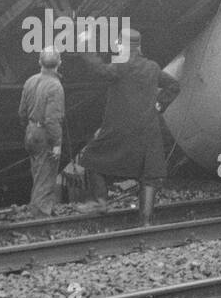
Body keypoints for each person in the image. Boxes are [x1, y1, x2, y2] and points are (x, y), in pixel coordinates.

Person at [71, 28, 179, 223]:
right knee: (149, 175)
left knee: (91, 158)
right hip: (148, 129)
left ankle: (101, 202)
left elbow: (98, 69)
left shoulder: (121, 65)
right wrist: (159, 104)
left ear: (124, 46)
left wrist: (86, 47)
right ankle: (145, 222)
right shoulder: (153, 67)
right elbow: (173, 85)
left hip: (120, 128)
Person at [18, 49, 64, 216]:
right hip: (45, 134)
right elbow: (52, 120)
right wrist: (57, 144)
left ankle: (41, 211)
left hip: (31, 132)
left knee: (38, 174)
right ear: (59, 63)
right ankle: (40, 216)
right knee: (45, 177)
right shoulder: (55, 86)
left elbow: (21, 112)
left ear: (39, 62)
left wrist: (31, 127)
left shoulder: (30, 81)